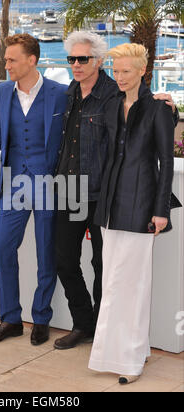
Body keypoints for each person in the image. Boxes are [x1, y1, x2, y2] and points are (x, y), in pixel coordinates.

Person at [53, 31, 179, 351]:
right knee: (64, 259)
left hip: (103, 194)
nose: (76, 65)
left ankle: (102, 331)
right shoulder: (68, 93)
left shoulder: (112, 94)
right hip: (70, 190)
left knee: (104, 268)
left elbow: (144, 123)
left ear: (98, 62)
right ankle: (85, 323)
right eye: (71, 59)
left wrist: (171, 109)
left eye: (83, 59)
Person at [88, 43, 181, 384]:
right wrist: (96, 207)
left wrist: (161, 212)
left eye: (126, 71)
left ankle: (129, 360)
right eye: (116, 70)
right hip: (110, 207)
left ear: (142, 71)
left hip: (142, 206)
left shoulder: (157, 109)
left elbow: (165, 163)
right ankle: (124, 352)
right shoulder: (112, 104)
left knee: (133, 285)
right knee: (113, 282)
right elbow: (107, 158)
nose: (120, 76)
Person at [0, 34, 68, 346]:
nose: (6, 65)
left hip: (48, 183)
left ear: (32, 60)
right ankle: (11, 319)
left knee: (47, 253)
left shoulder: (60, 93)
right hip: (14, 181)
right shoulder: (3, 91)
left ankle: (41, 317)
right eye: (6, 59)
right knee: (2, 247)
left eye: (11, 60)